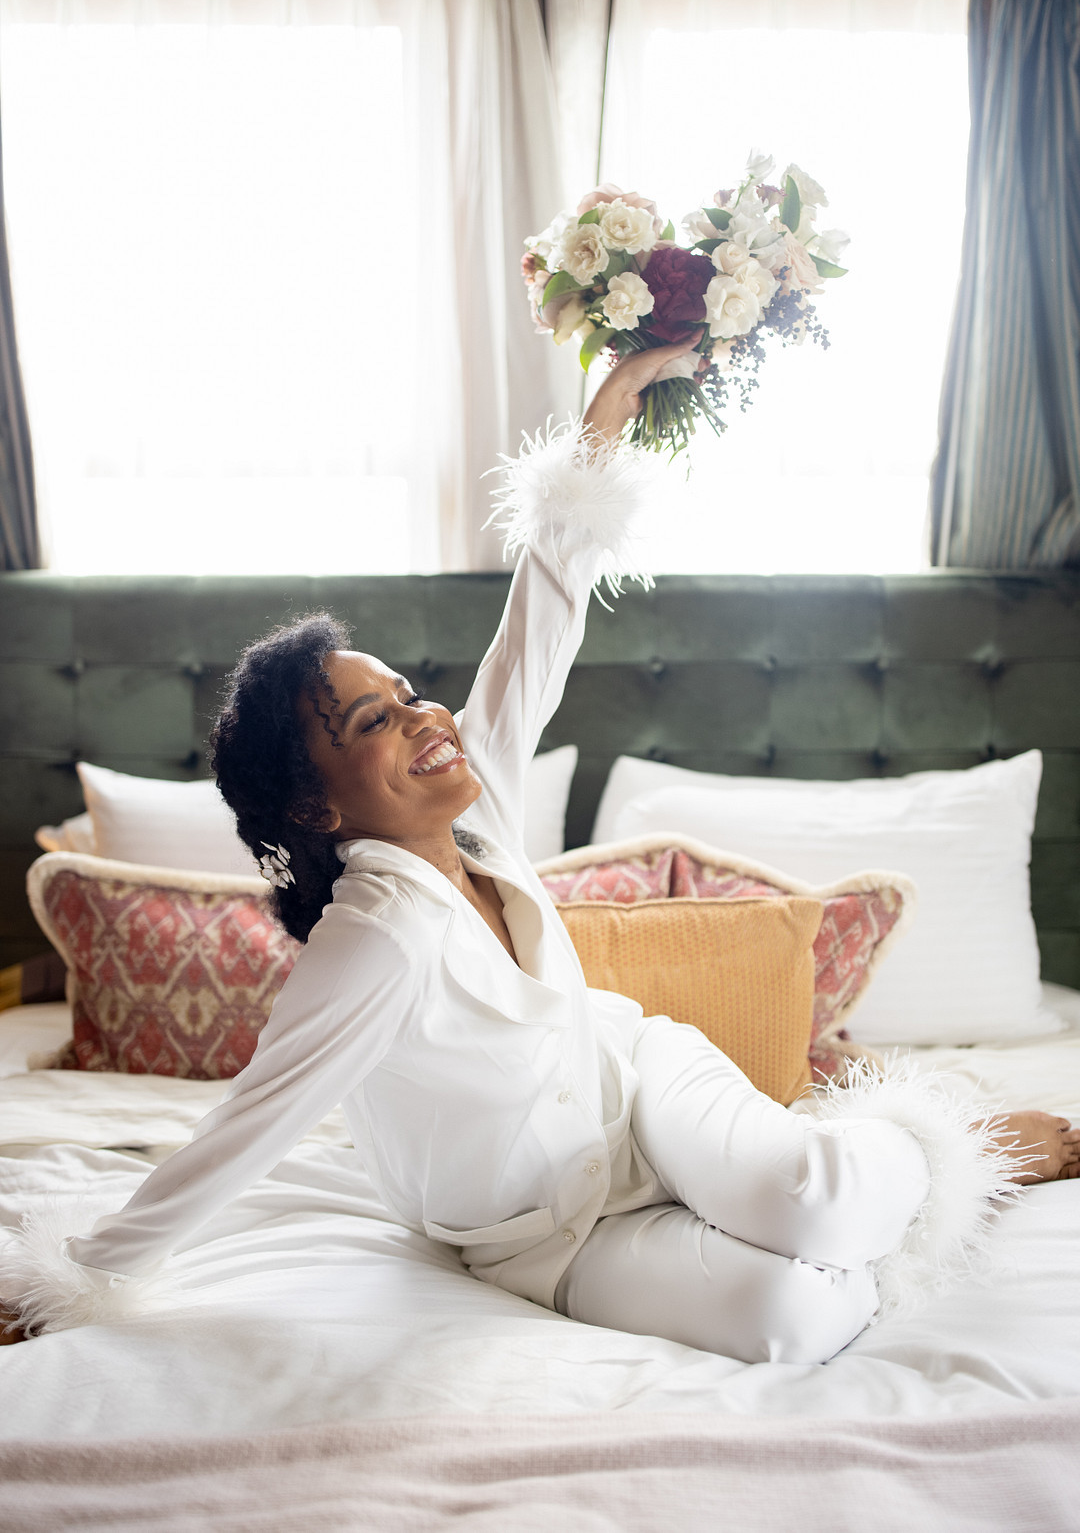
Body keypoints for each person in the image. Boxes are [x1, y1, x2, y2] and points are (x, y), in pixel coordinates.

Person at [2, 341, 1078, 1361]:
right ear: (316, 807)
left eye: (407, 693)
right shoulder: (370, 943)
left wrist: (603, 424)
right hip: (547, 1231)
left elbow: (545, 611)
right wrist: (68, 1279)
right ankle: (875, 1206)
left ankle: (966, 1141)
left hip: (647, 1087)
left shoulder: (478, 805)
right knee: (791, 1315)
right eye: (374, 723)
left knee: (819, 1197)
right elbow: (245, 1124)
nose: (426, 718)